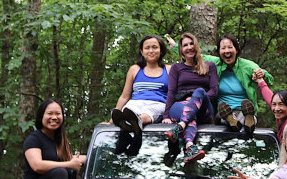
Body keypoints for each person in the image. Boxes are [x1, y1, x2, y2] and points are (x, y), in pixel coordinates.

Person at [167, 33, 273, 137]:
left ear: (236, 49)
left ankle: (248, 118)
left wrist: (262, 73)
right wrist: (176, 46)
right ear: (219, 52)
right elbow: (194, 54)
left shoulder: (247, 66)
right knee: (224, 118)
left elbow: (268, 79)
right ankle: (236, 120)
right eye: (223, 48)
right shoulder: (215, 63)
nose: (227, 51)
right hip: (223, 111)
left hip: (243, 109)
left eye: (230, 47)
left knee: (244, 119)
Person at [21, 98, 86, 179]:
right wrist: (68, 164)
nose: (54, 117)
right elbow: (37, 165)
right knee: (60, 171)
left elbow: (72, 160)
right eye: (50, 114)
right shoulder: (34, 139)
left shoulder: (60, 141)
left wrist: (95, 156)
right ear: (41, 116)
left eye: (58, 114)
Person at [109, 35, 171, 156]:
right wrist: (112, 120)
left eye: (154, 47)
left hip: (158, 103)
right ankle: (129, 130)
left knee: (143, 116)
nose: (151, 51)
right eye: (147, 48)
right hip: (136, 102)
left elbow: (172, 94)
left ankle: (130, 135)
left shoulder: (169, 69)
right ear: (142, 52)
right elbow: (124, 96)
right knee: (128, 111)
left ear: (161, 50)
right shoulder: (135, 69)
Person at [162, 32, 218, 165]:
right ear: (181, 50)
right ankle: (190, 146)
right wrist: (166, 116)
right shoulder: (176, 68)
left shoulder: (209, 66)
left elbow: (214, 91)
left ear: (196, 46)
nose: (189, 47)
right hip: (180, 107)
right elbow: (171, 92)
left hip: (204, 109)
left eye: (191, 44)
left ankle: (180, 127)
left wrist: (195, 100)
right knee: (189, 114)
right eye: (185, 45)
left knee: (199, 91)